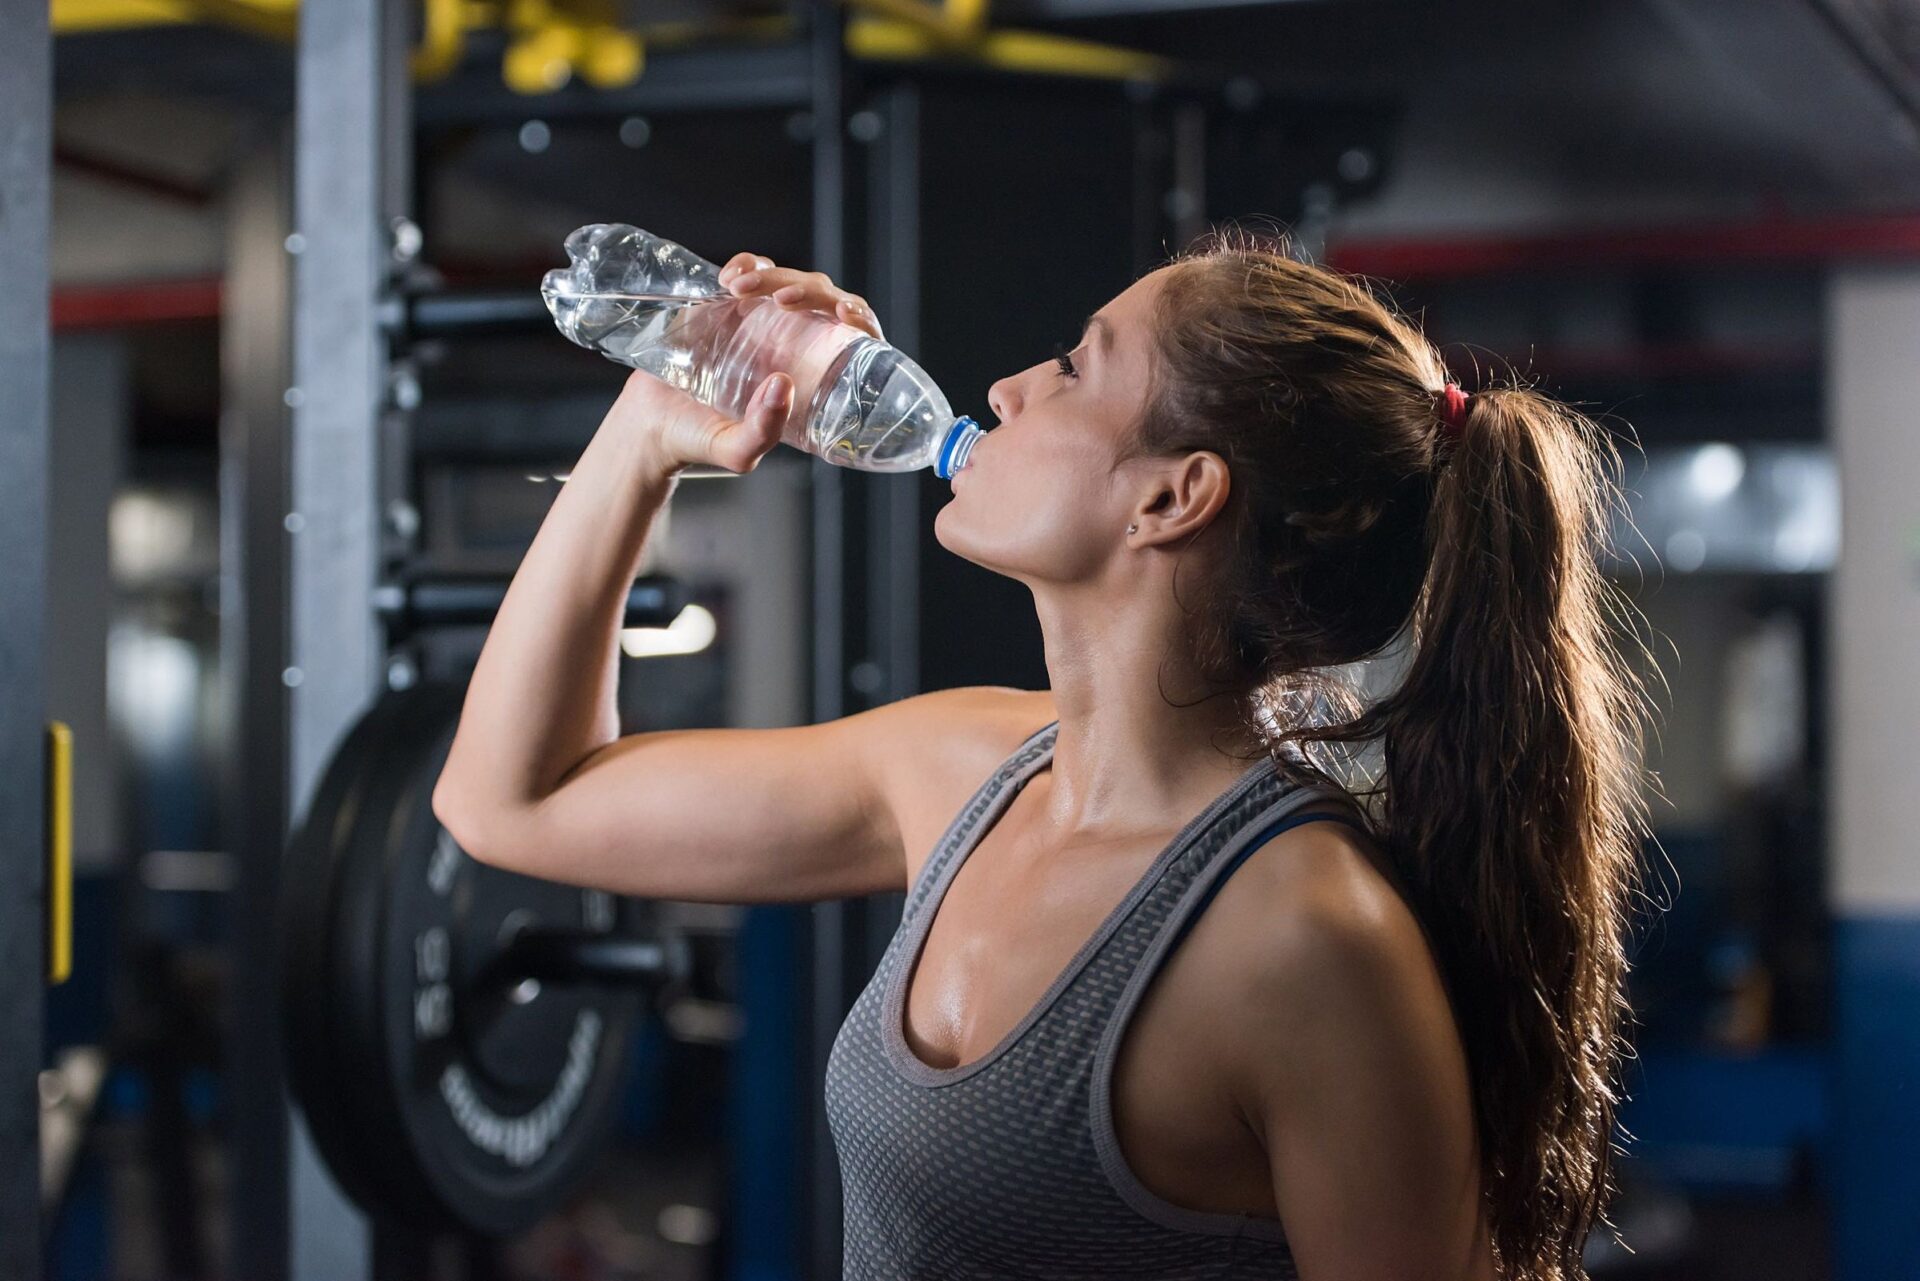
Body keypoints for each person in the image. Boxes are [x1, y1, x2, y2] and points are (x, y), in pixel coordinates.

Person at [434, 226, 1654, 1281]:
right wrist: (648, 437)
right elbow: (514, 801)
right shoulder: (967, 768)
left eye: (1076, 368)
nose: (1011, 388)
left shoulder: (1305, 936)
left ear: (1172, 499)